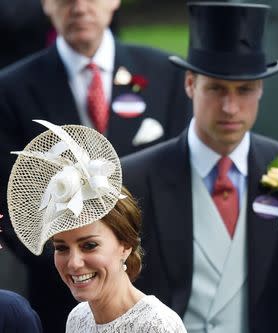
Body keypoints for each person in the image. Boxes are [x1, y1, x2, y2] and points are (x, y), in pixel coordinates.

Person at [122, 3, 278, 333]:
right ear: (190, 84)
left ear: (261, 89)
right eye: (215, 88)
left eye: (244, 90)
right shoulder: (136, 177)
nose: (230, 107)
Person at [0, 0, 190, 331]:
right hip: (60, 297)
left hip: (151, 285)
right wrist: (77, 265)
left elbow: (180, 185)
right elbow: (12, 199)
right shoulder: (10, 88)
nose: (79, 7)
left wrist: (123, 263)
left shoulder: (167, 74)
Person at [7, 119, 187, 333]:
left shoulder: (157, 325)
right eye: (61, 248)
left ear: (126, 244)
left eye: (89, 245)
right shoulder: (78, 318)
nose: (73, 263)